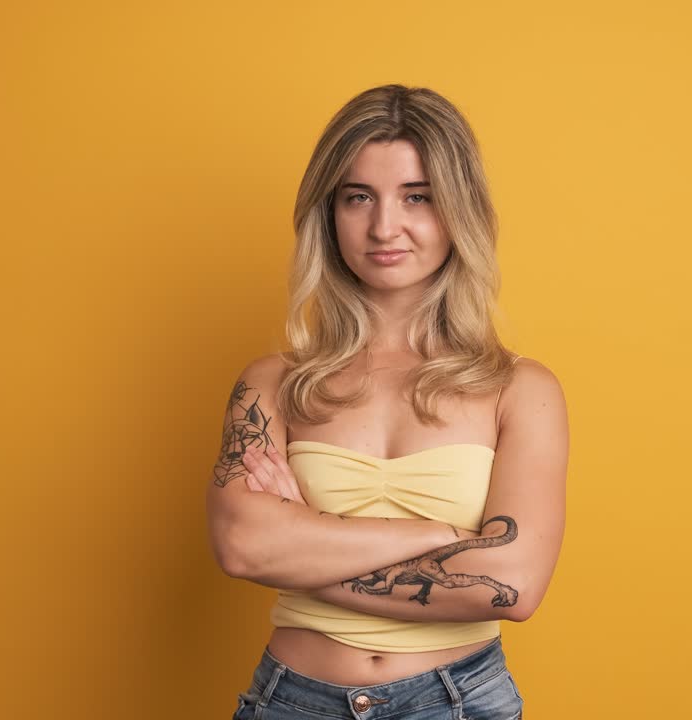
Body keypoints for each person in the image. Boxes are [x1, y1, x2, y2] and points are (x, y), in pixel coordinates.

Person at [205, 84, 568, 720]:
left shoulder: (521, 389)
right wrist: (444, 536)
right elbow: (241, 545)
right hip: (292, 702)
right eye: (358, 197)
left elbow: (512, 584)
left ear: (459, 211)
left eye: (417, 197)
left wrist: (298, 546)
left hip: (459, 702)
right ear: (329, 213)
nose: (383, 226)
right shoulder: (272, 384)